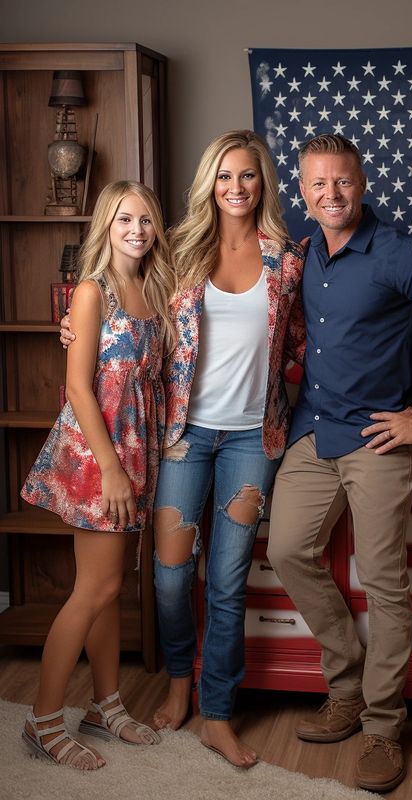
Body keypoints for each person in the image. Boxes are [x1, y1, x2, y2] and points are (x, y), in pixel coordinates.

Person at [61, 130, 305, 768]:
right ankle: (178, 687)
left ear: (263, 184)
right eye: (224, 176)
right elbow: (122, 307)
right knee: (170, 579)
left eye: (247, 176)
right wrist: (72, 325)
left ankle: (217, 712)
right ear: (210, 183)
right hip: (181, 437)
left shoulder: (286, 260)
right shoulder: (180, 257)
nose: (236, 188)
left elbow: (306, 345)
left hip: (255, 438)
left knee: (225, 583)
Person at [266, 134, 412, 793]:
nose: (330, 194)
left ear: (363, 184)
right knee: (286, 551)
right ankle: (345, 685)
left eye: (342, 181)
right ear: (301, 192)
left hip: (379, 439)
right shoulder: (302, 253)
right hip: (313, 432)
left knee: (384, 581)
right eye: (317, 184)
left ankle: (382, 726)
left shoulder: (398, 251)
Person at [21, 180, 176, 769]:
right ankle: (43, 720)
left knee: (112, 591)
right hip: (98, 455)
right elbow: (80, 387)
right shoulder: (93, 291)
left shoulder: (152, 287)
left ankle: (104, 706)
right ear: (104, 228)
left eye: (145, 220)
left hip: (136, 451)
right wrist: (111, 469)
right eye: (122, 220)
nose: (136, 231)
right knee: (96, 590)